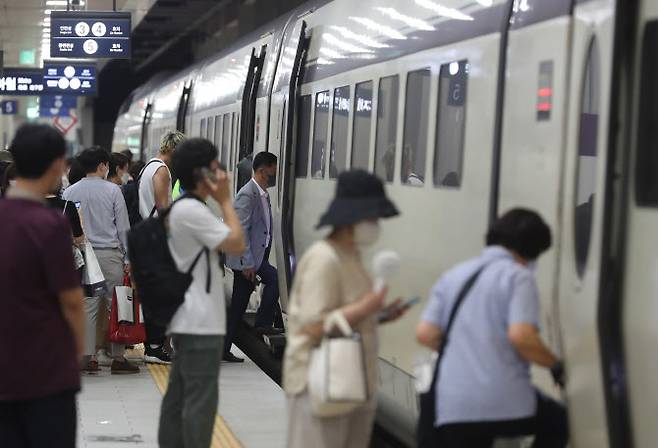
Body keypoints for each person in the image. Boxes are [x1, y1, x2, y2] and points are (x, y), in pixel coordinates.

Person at [415, 208, 568, 448]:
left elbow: (424, 334)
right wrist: (555, 364)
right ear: (530, 249)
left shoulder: (455, 274)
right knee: (559, 421)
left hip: (452, 405)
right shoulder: (518, 277)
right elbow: (522, 337)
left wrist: (465, 345)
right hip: (503, 402)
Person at [283, 169, 406, 448]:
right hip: (318, 383)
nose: (376, 225)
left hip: (351, 381)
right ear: (353, 218)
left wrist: (379, 314)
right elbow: (311, 326)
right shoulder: (324, 259)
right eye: (373, 218)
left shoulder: (351, 256)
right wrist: (367, 306)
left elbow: (345, 315)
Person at [0, 124, 85, 447]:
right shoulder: (49, 225)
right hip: (46, 374)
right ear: (55, 165)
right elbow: (72, 302)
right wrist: (73, 358)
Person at [158, 138, 245, 448]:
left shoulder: (183, 208)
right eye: (215, 167)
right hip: (200, 324)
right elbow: (236, 243)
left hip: (189, 319)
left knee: (179, 398)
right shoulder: (192, 211)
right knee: (200, 404)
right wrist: (225, 201)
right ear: (201, 174)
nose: (220, 173)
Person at [63, 147, 138, 374]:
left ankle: (89, 357)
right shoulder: (113, 191)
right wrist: (129, 258)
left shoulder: (70, 192)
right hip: (109, 255)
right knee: (114, 306)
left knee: (88, 306)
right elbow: (123, 228)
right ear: (103, 166)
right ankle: (117, 357)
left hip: (84, 255)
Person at [225, 151, 282, 363]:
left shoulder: (262, 194)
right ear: (262, 169)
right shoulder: (248, 194)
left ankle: (259, 326)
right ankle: (261, 325)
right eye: (273, 169)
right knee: (240, 305)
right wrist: (247, 262)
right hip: (247, 261)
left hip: (257, 258)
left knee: (239, 306)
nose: (276, 173)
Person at [139, 130, 185, 364]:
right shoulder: (161, 170)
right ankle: (156, 346)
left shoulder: (148, 166)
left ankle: (157, 344)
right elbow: (163, 208)